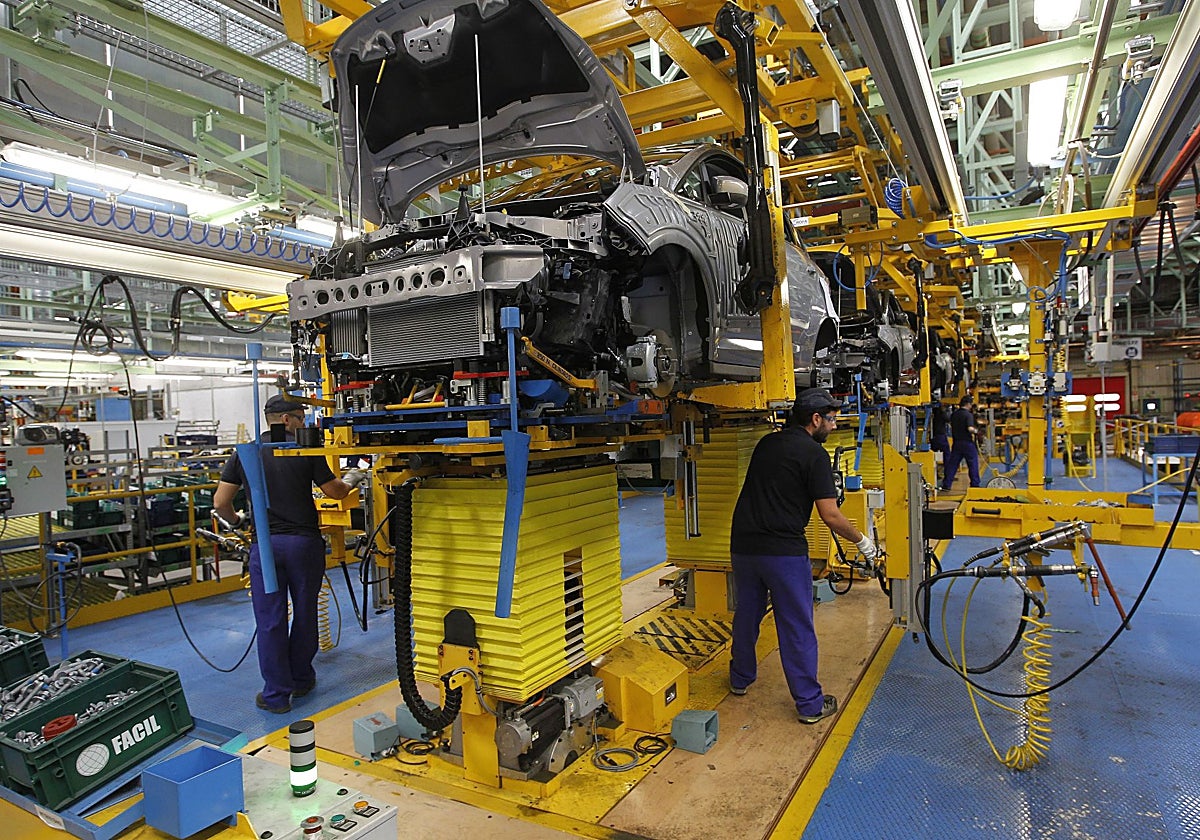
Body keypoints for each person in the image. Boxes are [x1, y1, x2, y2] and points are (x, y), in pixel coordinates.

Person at [728, 388, 878, 724]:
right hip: (782, 552)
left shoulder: (767, 443)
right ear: (815, 419)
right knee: (796, 625)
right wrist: (863, 542)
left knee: (747, 615)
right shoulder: (814, 456)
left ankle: (740, 679)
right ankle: (810, 705)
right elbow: (831, 514)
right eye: (832, 419)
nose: (835, 426)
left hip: (744, 545)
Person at [214, 394, 366, 714]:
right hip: (303, 545)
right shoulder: (302, 448)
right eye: (300, 417)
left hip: (266, 547)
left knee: (270, 620)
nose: (303, 424)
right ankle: (300, 678)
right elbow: (334, 491)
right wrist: (355, 477)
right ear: (286, 420)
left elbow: (220, 503)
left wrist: (237, 521)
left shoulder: (246, 453)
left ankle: (276, 695)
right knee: (305, 611)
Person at [942, 396, 981, 490]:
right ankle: (975, 485)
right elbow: (970, 428)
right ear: (968, 404)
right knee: (973, 464)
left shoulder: (954, 414)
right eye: (971, 404)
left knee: (953, 465)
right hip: (967, 443)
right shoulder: (968, 415)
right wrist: (977, 432)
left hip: (957, 443)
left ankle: (946, 485)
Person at [930, 402, 951, 479]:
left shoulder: (932, 411)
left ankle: (934, 474)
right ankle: (948, 475)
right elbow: (948, 419)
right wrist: (947, 410)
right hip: (940, 436)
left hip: (932, 437)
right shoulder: (941, 412)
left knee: (932, 456)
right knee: (947, 455)